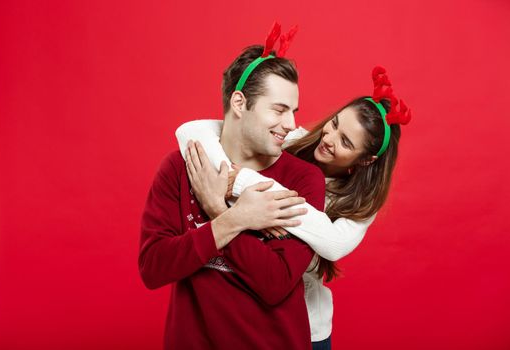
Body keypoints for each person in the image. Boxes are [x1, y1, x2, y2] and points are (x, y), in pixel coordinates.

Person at [176, 66, 411, 349]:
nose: (328, 139)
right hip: (241, 312)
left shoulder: (361, 204)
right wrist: (240, 189)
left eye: (345, 142)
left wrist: (242, 187)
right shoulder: (291, 140)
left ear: (365, 160)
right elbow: (190, 130)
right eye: (335, 124)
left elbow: (333, 244)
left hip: (305, 328)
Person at [139, 25, 327, 349]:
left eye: (293, 111)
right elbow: (153, 268)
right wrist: (232, 219)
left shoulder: (303, 179)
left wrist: (216, 208)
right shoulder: (182, 168)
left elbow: (276, 283)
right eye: (279, 110)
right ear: (239, 103)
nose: (291, 125)